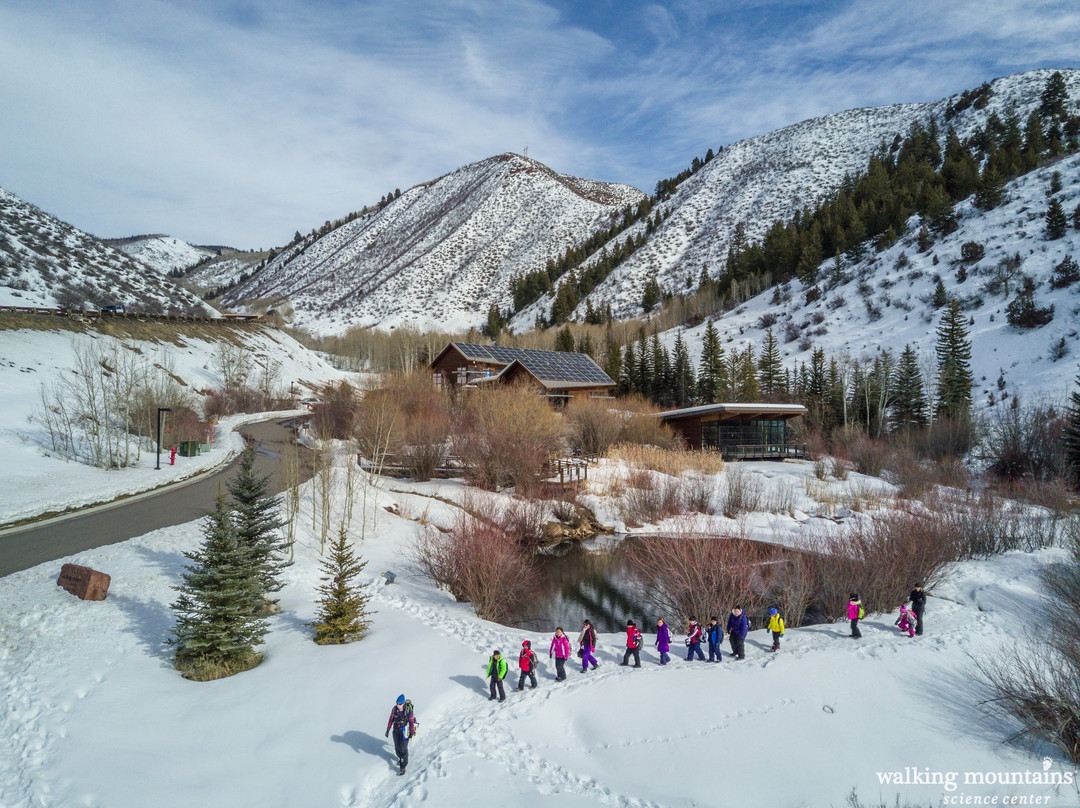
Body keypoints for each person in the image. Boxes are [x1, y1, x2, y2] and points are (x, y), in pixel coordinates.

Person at [385, 694, 418, 776]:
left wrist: (411, 732)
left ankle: (403, 767)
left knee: (403, 748)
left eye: (400, 704)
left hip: (405, 731)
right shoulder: (394, 709)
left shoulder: (408, 711)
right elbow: (391, 720)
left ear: (403, 703)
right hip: (396, 731)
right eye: (397, 703)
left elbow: (411, 722)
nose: (398, 705)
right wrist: (388, 730)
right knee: (397, 748)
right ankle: (401, 758)